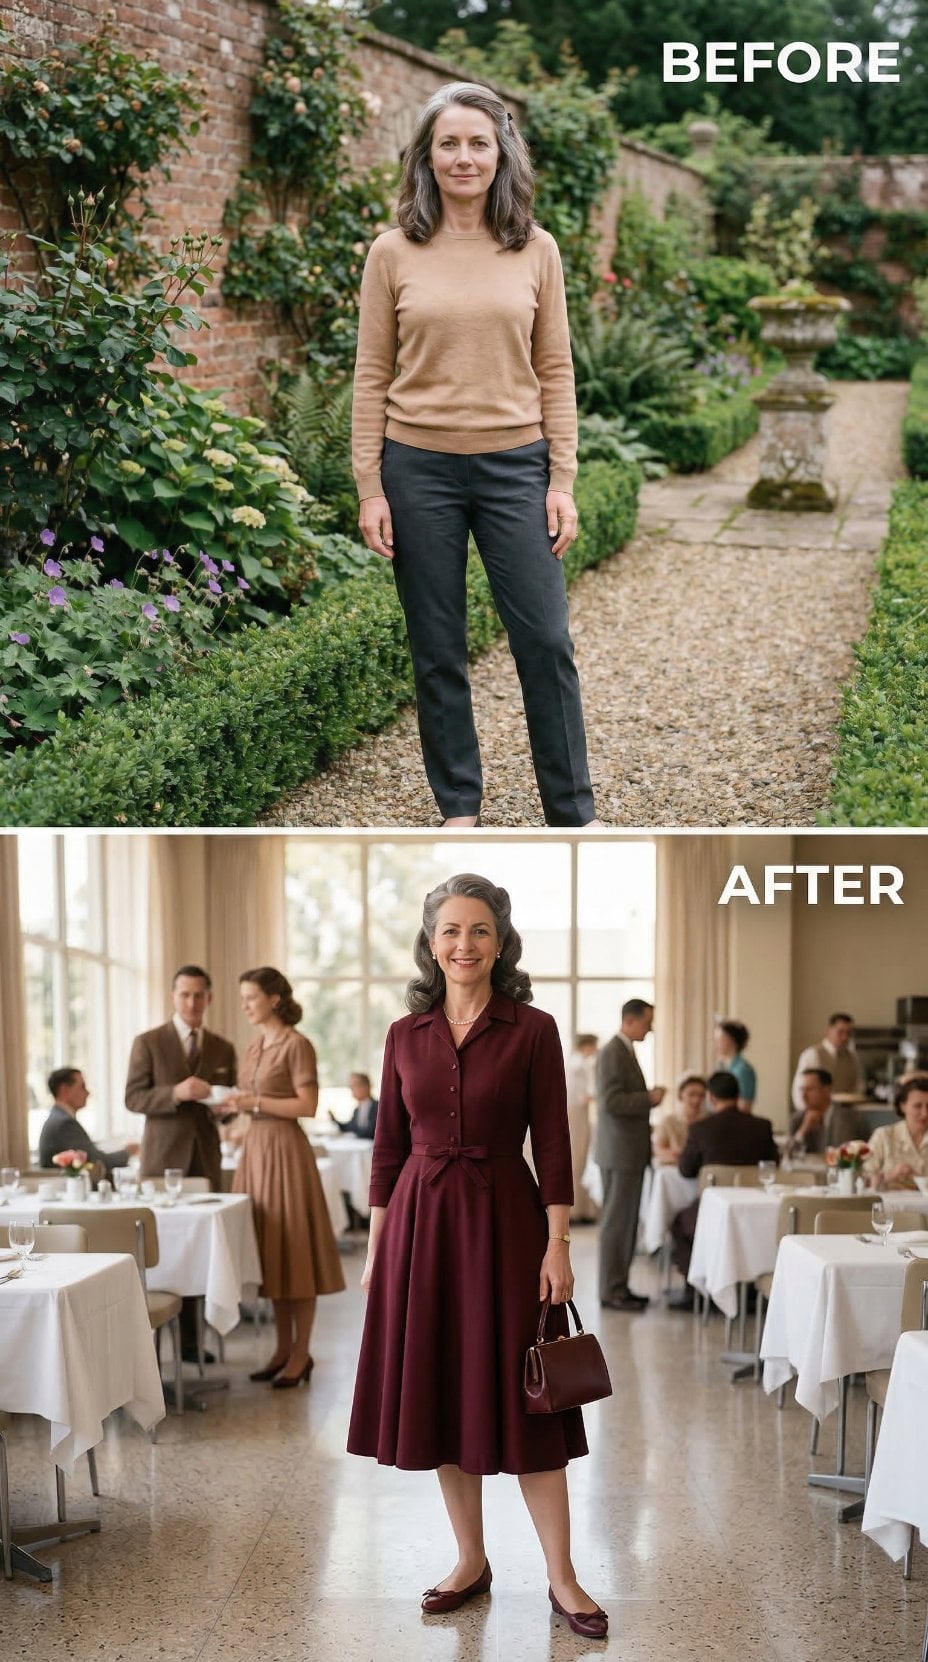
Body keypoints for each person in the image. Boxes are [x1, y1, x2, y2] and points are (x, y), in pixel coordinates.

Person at [347, 874, 606, 1639]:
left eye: (480, 930)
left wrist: (558, 1242)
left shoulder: (533, 1029)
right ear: (432, 944)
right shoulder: (404, 1034)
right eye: (451, 931)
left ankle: (562, 1575)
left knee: (529, 1399)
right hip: (422, 1229)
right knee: (440, 1391)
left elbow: (552, 1144)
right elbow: (388, 1149)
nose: (465, 944)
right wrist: (376, 1247)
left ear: (501, 942)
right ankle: (470, 1559)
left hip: (507, 1224)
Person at [352, 81, 599, 830]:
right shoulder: (393, 252)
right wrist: (370, 485)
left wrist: (562, 479)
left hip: (514, 467)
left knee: (546, 640)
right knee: (437, 647)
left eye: (478, 143)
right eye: (449, 143)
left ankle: (573, 810)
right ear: (427, 156)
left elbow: (555, 369)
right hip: (416, 467)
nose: (464, 157)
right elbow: (371, 373)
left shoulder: (536, 249)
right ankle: (459, 804)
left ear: (501, 155)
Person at [227, 968, 345, 1387]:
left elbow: (307, 1104)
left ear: (274, 999)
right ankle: (281, 1349)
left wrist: (253, 1101)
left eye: (251, 997)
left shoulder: (298, 1045)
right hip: (256, 1152)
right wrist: (236, 1113)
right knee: (271, 1253)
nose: (245, 1006)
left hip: (286, 1152)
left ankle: (301, 1353)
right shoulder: (254, 1047)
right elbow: (253, 1105)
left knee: (295, 1250)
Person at [125, 963, 237, 1361]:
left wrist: (226, 1109)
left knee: (197, 1252)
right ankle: (144, 1351)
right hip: (160, 1162)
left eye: (199, 995)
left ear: (209, 999)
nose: (192, 1002)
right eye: (184, 994)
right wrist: (176, 1091)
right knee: (158, 1251)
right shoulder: (148, 1042)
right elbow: (134, 1098)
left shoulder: (223, 1048)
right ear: (174, 997)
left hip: (206, 1161)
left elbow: (227, 1108)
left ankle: (192, 1344)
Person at [668, 1073, 780, 1300]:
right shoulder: (761, 1126)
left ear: (710, 1097)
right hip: (752, 1211)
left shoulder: (701, 1128)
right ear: (738, 1096)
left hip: (710, 1212)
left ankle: (696, 1291)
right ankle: (748, 1290)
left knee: (680, 1223)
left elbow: (685, 1170)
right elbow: (773, 1166)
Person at [595, 998, 665, 1313]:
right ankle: (611, 1290)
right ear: (631, 1021)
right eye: (648, 1022)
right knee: (617, 1224)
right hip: (620, 1152)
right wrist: (648, 1099)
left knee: (626, 1223)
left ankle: (619, 1285)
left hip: (628, 1151)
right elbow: (611, 1102)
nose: (650, 1029)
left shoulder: (624, 1050)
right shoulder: (612, 1052)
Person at [38, 1067, 137, 1176]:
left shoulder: (59, 1118)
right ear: (65, 1090)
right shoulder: (64, 1123)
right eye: (82, 1087)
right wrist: (128, 1152)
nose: (88, 1093)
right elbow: (96, 1160)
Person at [863, 1075, 928, 1189]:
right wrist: (889, 1176)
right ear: (903, 1106)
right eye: (917, 1106)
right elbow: (863, 1179)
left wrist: (919, 1178)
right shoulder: (883, 1136)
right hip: (888, 1206)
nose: (924, 1113)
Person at [791, 1012, 865, 1112]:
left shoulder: (853, 1057)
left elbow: (858, 1086)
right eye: (840, 1032)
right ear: (829, 1030)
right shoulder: (812, 1054)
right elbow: (800, 1089)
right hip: (818, 1115)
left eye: (848, 1033)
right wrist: (806, 1113)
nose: (845, 1038)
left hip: (845, 1115)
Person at [787, 1067, 865, 1156]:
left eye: (809, 1089)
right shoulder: (796, 1119)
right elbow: (787, 1157)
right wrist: (803, 1130)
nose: (803, 1095)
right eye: (801, 1089)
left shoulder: (847, 1119)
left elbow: (844, 1156)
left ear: (827, 1090)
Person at [566, 1033, 599, 1223]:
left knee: (577, 1160)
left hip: (576, 1114)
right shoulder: (581, 1065)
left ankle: (578, 1208)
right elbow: (588, 1093)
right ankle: (579, 1210)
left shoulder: (573, 1062)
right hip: (577, 1115)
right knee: (578, 1159)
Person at [651, 1074, 708, 1165]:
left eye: (701, 1095)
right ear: (681, 1095)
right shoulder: (668, 1122)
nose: (696, 1100)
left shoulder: (708, 1122)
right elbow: (658, 1149)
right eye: (691, 1094)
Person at [714, 1019, 756, 1109]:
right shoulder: (720, 1066)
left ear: (732, 1041)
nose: (716, 1044)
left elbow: (744, 1106)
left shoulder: (743, 1070)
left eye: (719, 1039)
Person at [341, 1072, 378, 1139]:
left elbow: (370, 1132)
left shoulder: (378, 1108)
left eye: (354, 1086)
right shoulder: (357, 1110)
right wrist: (334, 1120)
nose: (352, 1090)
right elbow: (350, 1126)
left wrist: (355, 1131)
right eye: (351, 1087)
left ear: (366, 1087)